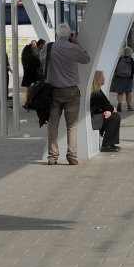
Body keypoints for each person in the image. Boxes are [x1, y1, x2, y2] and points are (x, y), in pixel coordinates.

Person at [46, 23, 90, 165]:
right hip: (71, 91)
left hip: (53, 91)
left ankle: (52, 157)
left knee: (52, 125)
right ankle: (72, 156)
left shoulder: (49, 47)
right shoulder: (73, 48)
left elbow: (42, 61)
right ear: (70, 35)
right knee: (71, 126)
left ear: (57, 34)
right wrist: (77, 43)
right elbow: (86, 59)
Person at [89, 70, 121, 152]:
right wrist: (110, 110)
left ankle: (110, 143)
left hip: (95, 117)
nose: (104, 79)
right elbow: (108, 106)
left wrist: (108, 110)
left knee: (114, 116)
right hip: (94, 120)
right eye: (102, 77)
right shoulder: (96, 93)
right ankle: (106, 145)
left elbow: (106, 105)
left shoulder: (96, 91)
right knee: (115, 117)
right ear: (98, 79)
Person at [111, 46, 134, 112]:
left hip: (119, 77)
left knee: (120, 92)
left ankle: (119, 103)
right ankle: (129, 106)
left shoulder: (119, 59)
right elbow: (133, 69)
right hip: (128, 78)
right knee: (128, 93)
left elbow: (115, 68)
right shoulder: (131, 59)